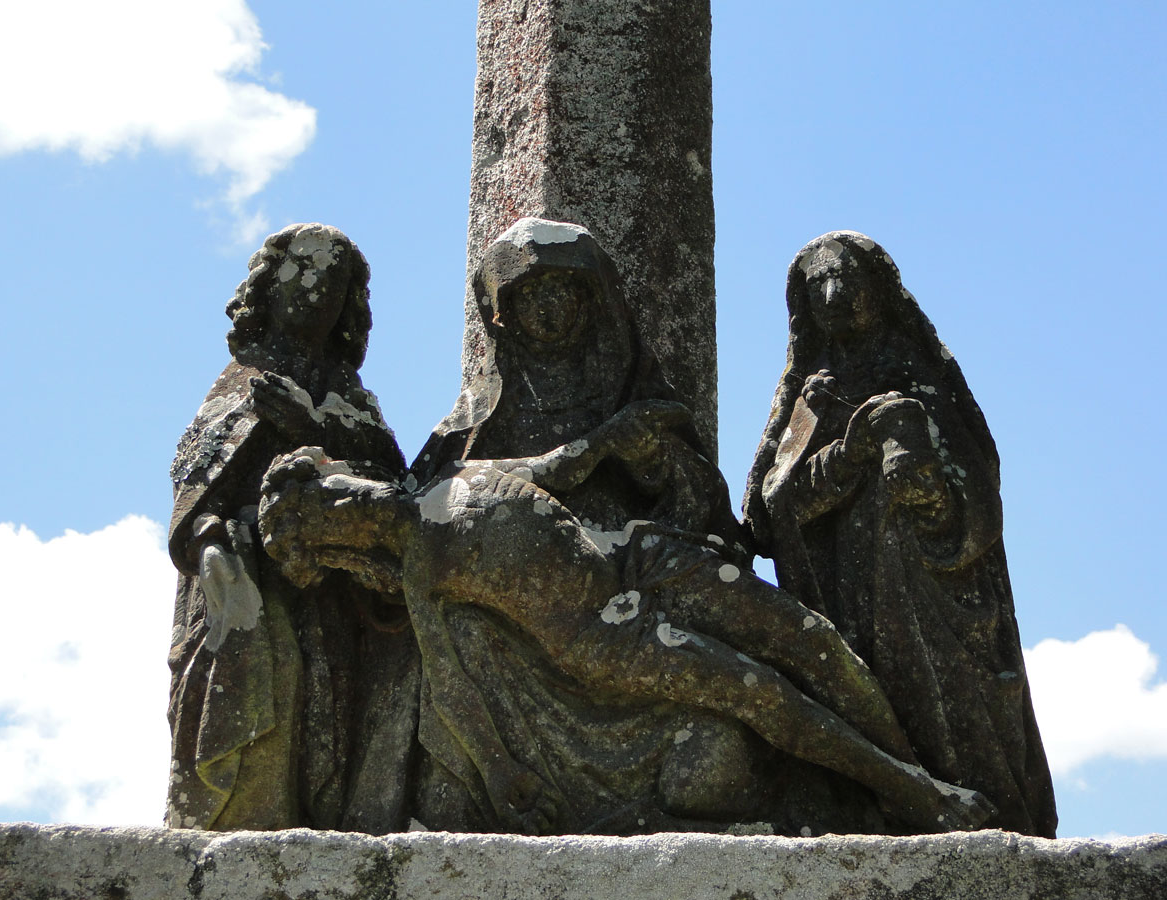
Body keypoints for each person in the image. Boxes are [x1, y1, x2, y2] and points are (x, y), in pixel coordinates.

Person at [258, 440, 996, 836]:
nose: (348, 505)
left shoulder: (452, 477)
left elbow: (554, 469)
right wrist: (500, 771)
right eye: (332, 519)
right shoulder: (421, 570)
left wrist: (621, 434)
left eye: (335, 491)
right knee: (764, 696)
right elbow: (449, 683)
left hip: (636, 555)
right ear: (342, 549)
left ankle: (909, 771)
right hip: (603, 638)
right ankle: (918, 795)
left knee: (808, 637)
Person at [743, 231, 1057, 837]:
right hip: (843, 598)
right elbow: (767, 511)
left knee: (962, 722)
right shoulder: (812, 390)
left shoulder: (923, 377)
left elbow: (979, 490)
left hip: (934, 593)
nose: (833, 295)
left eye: (848, 281)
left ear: (880, 291)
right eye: (817, 286)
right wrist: (847, 449)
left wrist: (934, 498)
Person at [166, 223, 412, 831]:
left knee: (329, 718)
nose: (316, 290)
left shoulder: (353, 398)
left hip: (334, 591)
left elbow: (392, 492)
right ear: (266, 288)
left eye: (333, 280)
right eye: (301, 271)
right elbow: (197, 484)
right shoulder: (242, 382)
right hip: (250, 576)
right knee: (270, 696)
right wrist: (211, 539)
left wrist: (319, 431)